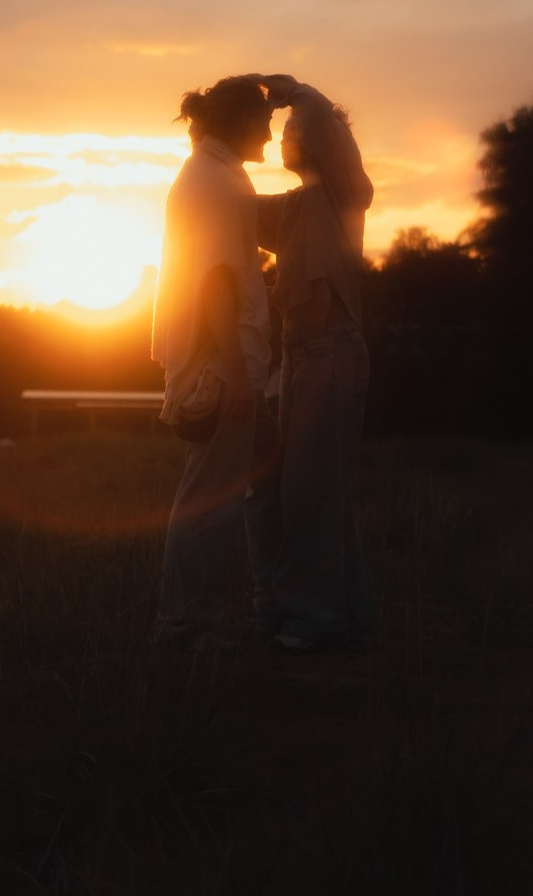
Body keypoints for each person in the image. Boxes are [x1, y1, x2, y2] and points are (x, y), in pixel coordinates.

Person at [150, 74, 283, 647]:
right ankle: (185, 624)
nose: (271, 139)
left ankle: (269, 605)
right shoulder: (218, 184)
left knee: (270, 477)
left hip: (221, 363)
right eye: (264, 125)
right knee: (210, 501)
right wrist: (235, 374)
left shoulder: (214, 174)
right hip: (221, 369)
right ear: (239, 125)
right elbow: (216, 285)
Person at [255, 74, 376, 650]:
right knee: (319, 489)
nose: (285, 139)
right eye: (282, 131)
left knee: (308, 491)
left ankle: (314, 621)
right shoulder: (297, 206)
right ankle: (350, 614)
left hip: (331, 351)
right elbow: (233, 210)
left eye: (295, 130)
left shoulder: (343, 192)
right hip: (302, 355)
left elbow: (326, 125)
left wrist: (292, 90)